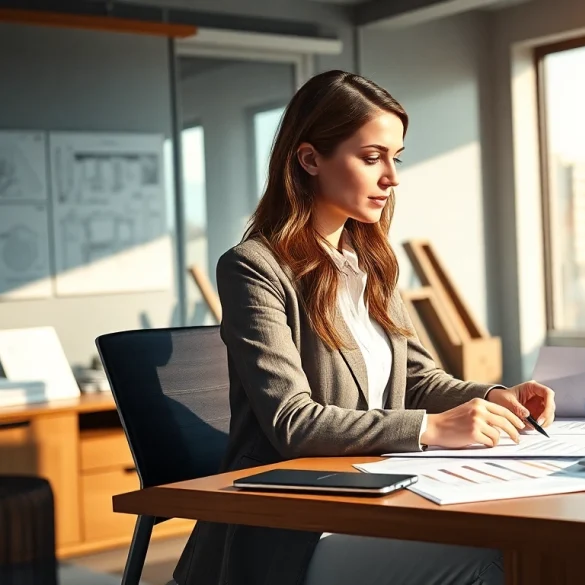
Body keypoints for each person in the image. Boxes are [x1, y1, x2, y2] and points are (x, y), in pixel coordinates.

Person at [171, 70, 557, 585]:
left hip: (379, 495)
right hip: (296, 529)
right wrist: (429, 428)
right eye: (372, 157)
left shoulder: (371, 262)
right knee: (500, 562)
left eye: (395, 158)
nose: (391, 177)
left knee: (534, 543)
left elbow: (417, 380)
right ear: (310, 159)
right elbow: (293, 422)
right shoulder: (253, 268)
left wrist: (494, 395)